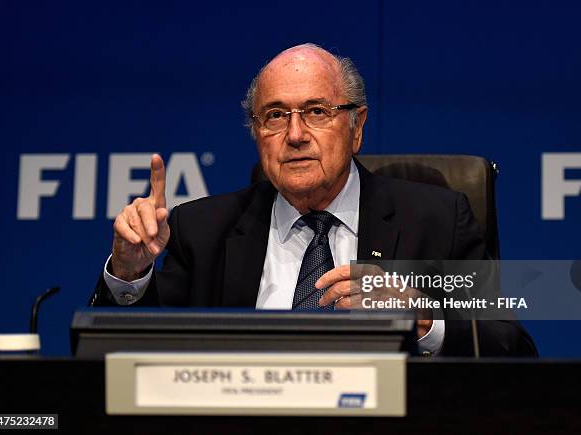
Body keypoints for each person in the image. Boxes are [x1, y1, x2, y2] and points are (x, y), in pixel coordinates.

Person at [91, 43, 537, 357]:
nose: (296, 134)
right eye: (275, 116)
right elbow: (125, 357)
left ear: (356, 127)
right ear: (257, 134)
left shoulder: (437, 220)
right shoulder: (203, 229)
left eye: (317, 111)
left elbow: (511, 348)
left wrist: (421, 322)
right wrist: (129, 273)